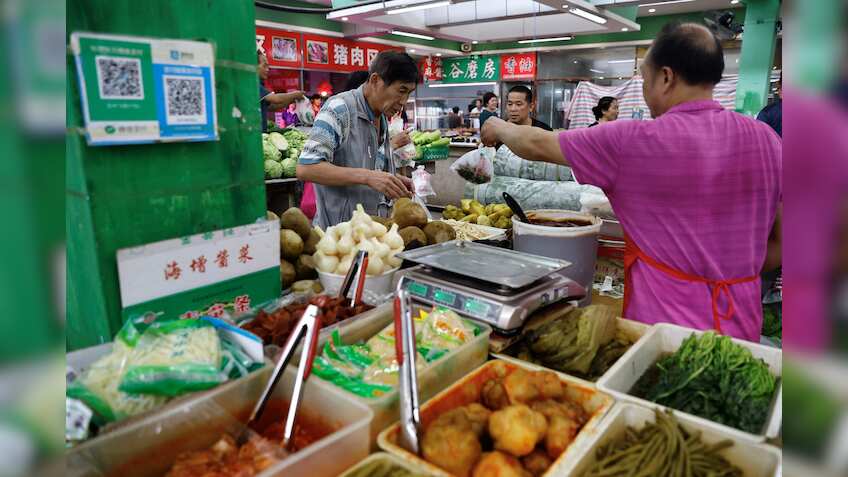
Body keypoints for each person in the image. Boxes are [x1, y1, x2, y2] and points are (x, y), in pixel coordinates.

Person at [481, 22, 782, 342]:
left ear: (666, 77)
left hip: (662, 335)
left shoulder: (634, 140)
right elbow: (785, 240)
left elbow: (538, 144)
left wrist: (497, 126)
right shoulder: (767, 140)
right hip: (741, 329)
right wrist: (726, 267)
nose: (643, 90)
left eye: (644, 78)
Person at [297, 51, 417, 229]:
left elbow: (361, 165)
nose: (404, 101)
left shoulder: (380, 116)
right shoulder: (339, 109)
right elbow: (306, 168)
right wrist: (368, 177)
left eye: (409, 93)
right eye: (401, 91)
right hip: (339, 238)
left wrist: (391, 179)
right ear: (375, 80)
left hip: (370, 235)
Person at [258, 51, 304, 132]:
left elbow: (272, 107)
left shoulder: (259, 85)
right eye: (264, 66)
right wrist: (295, 94)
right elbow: (276, 99)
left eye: (268, 66)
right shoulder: (253, 85)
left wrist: (292, 100)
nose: (267, 69)